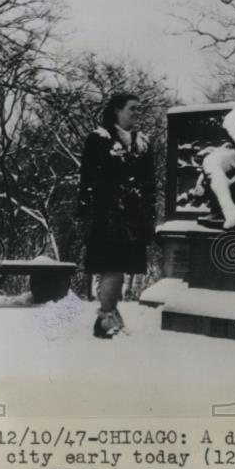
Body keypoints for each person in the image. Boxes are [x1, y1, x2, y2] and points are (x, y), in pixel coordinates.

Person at [77, 93, 155, 338]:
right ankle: (105, 318)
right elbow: (88, 180)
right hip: (106, 216)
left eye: (138, 109)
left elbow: (150, 183)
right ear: (116, 111)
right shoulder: (99, 139)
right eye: (132, 108)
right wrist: (87, 216)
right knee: (111, 267)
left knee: (120, 268)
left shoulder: (143, 142)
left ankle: (110, 312)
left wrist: (148, 215)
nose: (136, 113)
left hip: (132, 218)